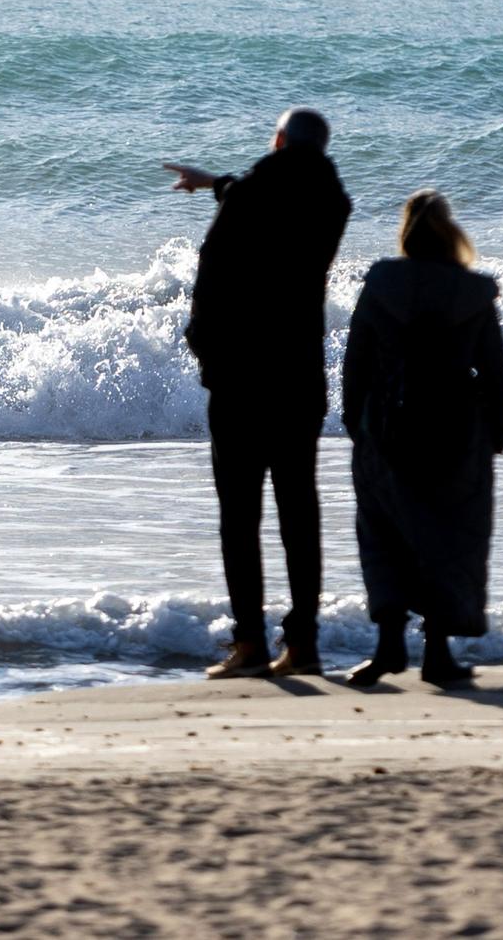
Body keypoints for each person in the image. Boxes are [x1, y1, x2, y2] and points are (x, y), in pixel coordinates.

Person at [165, 108, 352, 680]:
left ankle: (249, 644)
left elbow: (213, 269)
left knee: (239, 516)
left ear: (277, 142)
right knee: (300, 513)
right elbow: (266, 196)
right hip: (299, 378)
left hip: (243, 378)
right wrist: (216, 184)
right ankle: (305, 645)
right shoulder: (331, 202)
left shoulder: (256, 193)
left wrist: (203, 349)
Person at [340, 190, 503, 689]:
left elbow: (358, 362)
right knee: (449, 541)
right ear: (450, 233)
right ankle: (437, 654)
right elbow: (495, 372)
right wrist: (496, 433)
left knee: (384, 537)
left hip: (386, 430)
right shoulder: (473, 292)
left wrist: (357, 424)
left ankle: (388, 648)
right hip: (457, 432)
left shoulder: (380, 285)